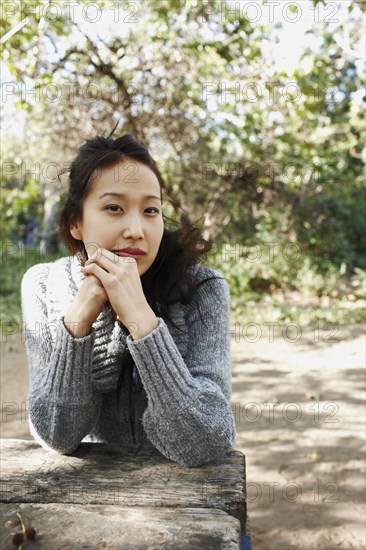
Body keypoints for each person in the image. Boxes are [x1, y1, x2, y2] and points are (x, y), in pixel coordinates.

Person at [21, 132, 236, 467]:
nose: (136, 229)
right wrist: (80, 317)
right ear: (75, 222)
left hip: (187, 501)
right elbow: (56, 434)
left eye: (151, 210)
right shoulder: (43, 284)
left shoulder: (202, 288)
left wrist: (141, 319)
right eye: (114, 208)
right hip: (90, 501)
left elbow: (205, 441)